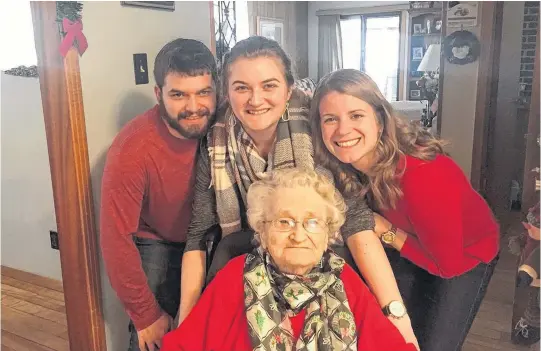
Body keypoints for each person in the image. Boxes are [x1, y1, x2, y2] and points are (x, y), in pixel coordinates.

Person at [178, 36, 418, 347]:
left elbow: (356, 221)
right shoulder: (215, 141)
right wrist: (189, 316)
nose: (255, 99)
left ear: (288, 89)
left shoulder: (316, 128)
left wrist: (396, 314)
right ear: (227, 92)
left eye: (269, 85)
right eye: (241, 88)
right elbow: (198, 233)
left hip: (328, 253)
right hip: (257, 257)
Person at [310, 68, 500, 351]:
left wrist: (386, 230)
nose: (343, 130)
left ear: (380, 120)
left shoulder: (422, 174)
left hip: (464, 255)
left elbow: (446, 266)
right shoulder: (341, 167)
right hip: (409, 244)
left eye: (356, 115)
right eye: (330, 119)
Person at [163, 168, 417, 351]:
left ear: (328, 233)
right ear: (262, 230)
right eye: (284, 221)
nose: (298, 235)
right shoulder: (234, 276)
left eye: (313, 222)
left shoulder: (344, 279)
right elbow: (184, 345)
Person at [99, 38, 217, 351]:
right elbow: (114, 237)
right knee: (152, 340)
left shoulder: (225, 124)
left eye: (203, 92)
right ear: (158, 94)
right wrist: (145, 315)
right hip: (159, 241)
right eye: (178, 95)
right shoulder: (132, 148)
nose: (193, 107)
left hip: (214, 238)